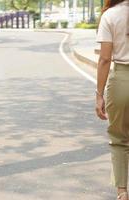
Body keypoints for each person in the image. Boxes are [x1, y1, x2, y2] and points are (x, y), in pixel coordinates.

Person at [96, 0, 129, 199]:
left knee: (118, 139)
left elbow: (105, 59)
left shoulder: (110, 15)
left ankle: (122, 192)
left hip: (121, 81)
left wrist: (99, 94)